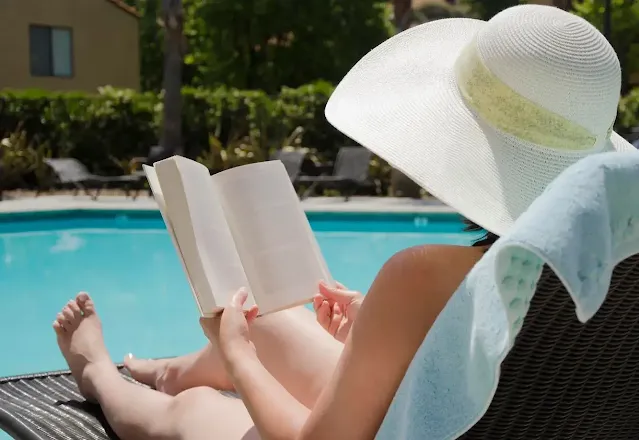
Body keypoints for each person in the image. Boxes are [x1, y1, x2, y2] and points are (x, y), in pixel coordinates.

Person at [52, 5, 637, 440]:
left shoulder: (425, 278)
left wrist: (237, 362)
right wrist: (381, 334)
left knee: (198, 414)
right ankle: (173, 370)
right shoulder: (618, 272)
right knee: (272, 321)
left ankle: (101, 376)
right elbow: (522, 379)